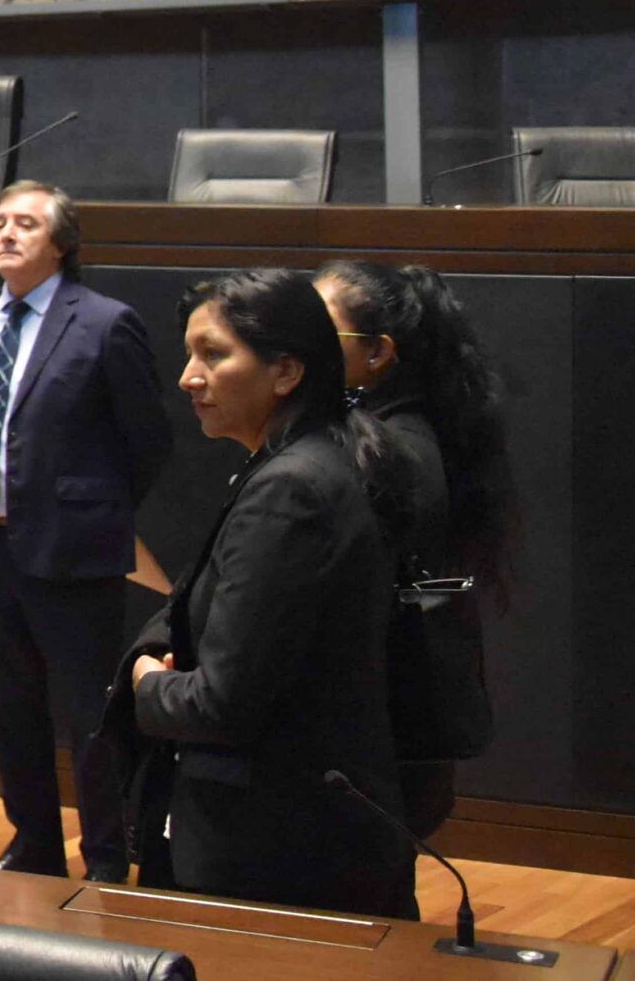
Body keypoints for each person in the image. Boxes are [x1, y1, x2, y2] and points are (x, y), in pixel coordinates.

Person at [122, 269, 412, 918]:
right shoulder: (320, 457)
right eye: (189, 353)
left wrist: (146, 685)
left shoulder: (291, 491)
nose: (187, 378)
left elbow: (222, 705)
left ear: (285, 372)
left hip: (275, 849)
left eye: (213, 355)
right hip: (310, 832)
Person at [0, 180, 168, 882]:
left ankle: (105, 854)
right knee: (10, 709)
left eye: (26, 225)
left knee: (90, 718)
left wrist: (91, 510)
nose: (6, 234)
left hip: (75, 552)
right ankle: (34, 842)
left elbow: (148, 439)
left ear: (63, 244)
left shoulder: (104, 322)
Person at [317, 260, 520, 840]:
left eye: (318, 326)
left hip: (381, 745)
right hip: (393, 740)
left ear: (377, 353)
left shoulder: (387, 454)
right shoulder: (407, 433)